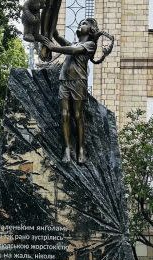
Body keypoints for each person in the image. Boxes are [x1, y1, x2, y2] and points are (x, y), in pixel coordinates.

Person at [39, 18, 104, 164]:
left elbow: (73, 51)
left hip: (78, 82)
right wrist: (50, 19)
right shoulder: (73, 43)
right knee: (64, 114)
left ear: (92, 30)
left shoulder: (90, 44)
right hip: (64, 81)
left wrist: (53, 48)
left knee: (78, 115)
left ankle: (81, 149)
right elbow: (56, 36)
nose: (80, 25)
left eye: (84, 24)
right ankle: (67, 149)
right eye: (80, 23)